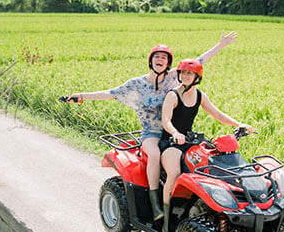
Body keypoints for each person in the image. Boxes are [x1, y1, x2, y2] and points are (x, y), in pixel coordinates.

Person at [62, 31, 238, 221]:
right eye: (156, 57)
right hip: (153, 133)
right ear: (150, 61)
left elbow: (198, 62)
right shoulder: (137, 84)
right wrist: (81, 96)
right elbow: (111, 92)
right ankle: (156, 206)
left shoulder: (174, 77)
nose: (159, 59)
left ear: (168, 63)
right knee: (154, 154)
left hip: (177, 132)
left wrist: (221, 44)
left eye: (164, 57)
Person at [159, 59, 253, 218]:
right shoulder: (172, 95)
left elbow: (217, 114)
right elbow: (166, 120)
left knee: (209, 168)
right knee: (174, 173)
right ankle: (165, 213)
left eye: (189, 73)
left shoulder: (200, 96)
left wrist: (238, 124)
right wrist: (175, 133)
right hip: (171, 143)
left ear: (197, 76)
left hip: (190, 141)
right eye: (182, 72)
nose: (185, 76)